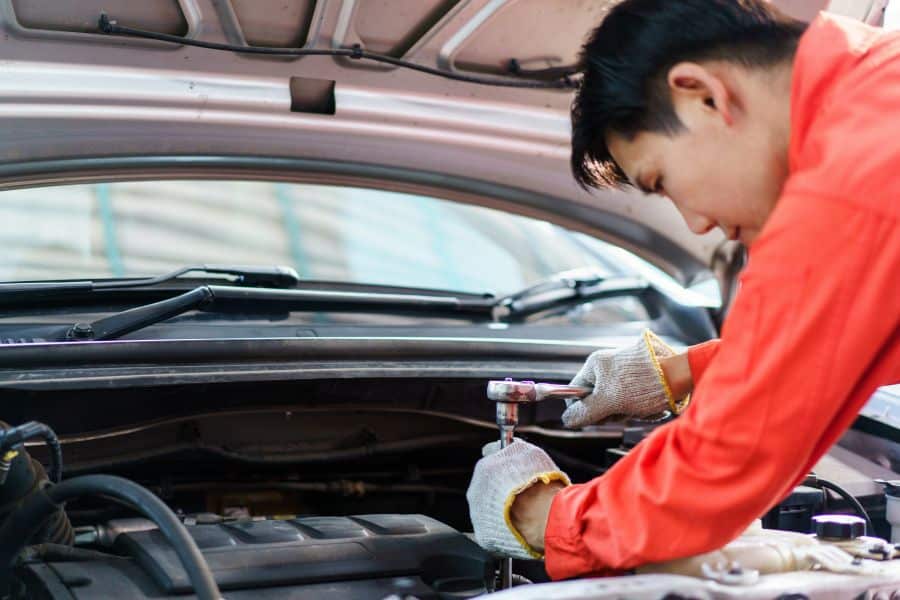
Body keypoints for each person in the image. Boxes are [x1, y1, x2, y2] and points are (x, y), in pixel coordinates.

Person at [466, 0, 900, 580]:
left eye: (661, 181)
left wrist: (544, 515)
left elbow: (717, 471)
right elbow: (849, 333)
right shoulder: (875, 86)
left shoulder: (845, 181)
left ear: (700, 94)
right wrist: (682, 371)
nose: (695, 224)